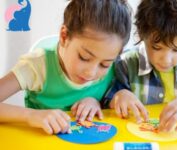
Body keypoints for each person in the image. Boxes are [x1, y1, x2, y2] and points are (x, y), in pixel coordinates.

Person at [0, 0, 131, 134]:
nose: (91, 73)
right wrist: (30, 115)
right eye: (84, 57)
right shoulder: (37, 66)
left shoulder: (116, 66)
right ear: (64, 36)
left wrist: (96, 102)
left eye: (105, 64)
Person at [102, 0, 177, 132]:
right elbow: (105, 103)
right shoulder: (126, 63)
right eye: (156, 47)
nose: (166, 60)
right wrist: (119, 96)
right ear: (142, 35)